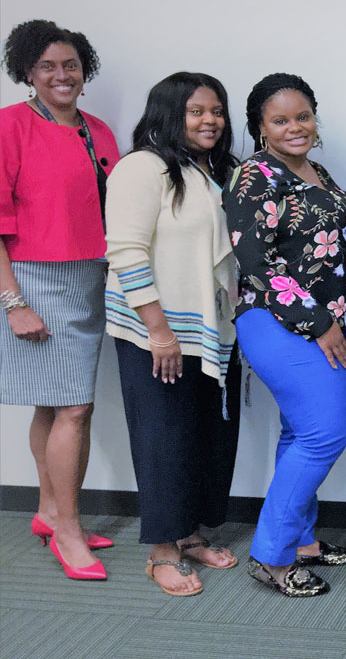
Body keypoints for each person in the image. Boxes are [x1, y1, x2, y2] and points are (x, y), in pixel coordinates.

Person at [224, 73, 346, 597]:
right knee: (324, 433)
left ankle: (303, 541)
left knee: (299, 432)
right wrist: (321, 322)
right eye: (280, 120)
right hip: (278, 320)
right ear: (260, 128)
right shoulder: (254, 176)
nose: (295, 127)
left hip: (328, 322)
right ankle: (270, 555)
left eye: (303, 116)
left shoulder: (316, 172)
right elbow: (256, 264)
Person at [104, 72, 242, 596]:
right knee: (163, 438)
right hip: (155, 331)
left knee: (205, 437)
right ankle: (161, 551)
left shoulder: (215, 170)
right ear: (169, 114)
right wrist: (159, 331)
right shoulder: (142, 167)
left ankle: (187, 535)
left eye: (216, 111)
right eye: (196, 112)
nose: (210, 121)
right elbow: (126, 251)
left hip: (211, 331)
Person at [0, 19, 119, 581]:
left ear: (84, 70)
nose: (61, 75)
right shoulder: (9, 127)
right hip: (32, 278)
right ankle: (68, 531)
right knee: (74, 406)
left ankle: (49, 511)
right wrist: (12, 301)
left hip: (89, 277)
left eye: (70, 64)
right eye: (47, 66)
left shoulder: (98, 131)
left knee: (55, 403)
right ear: (28, 72)